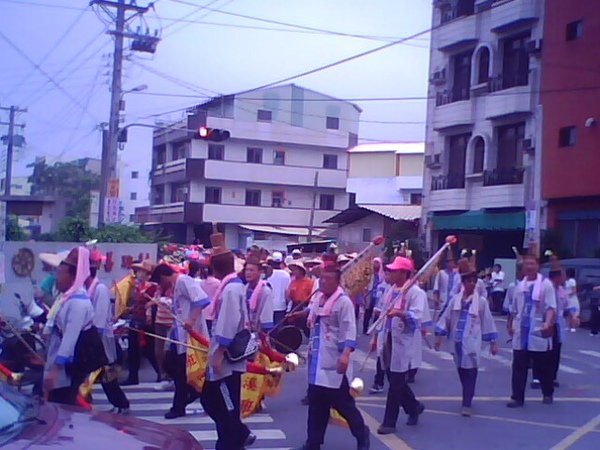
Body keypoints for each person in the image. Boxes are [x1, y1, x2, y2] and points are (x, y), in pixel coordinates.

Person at [297, 263, 370, 450]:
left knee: (344, 405)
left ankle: (362, 434)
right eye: (321, 277)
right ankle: (313, 442)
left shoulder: (343, 302)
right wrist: (299, 314)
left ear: (337, 282)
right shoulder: (319, 298)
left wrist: (346, 355)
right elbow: (313, 314)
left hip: (334, 362)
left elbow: (349, 330)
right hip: (317, 359)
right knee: (316, 406)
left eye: (328, 278)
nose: (323, 281)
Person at [201, 230, 256, 449]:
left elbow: (228, 323)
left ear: (215, 267)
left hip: (226, 359)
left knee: (223, 403)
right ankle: (238, 435)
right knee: (214, 401)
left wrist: (219, 352)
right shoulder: (231, 286)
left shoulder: (231, 288)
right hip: (222, 356)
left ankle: (234, 439)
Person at [435, 258, 498, 416]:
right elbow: (446, 319)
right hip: (456, 342)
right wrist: (439, 337)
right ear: (463, 282)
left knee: (471, 371)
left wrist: (493, 342)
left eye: (473, 281)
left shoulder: (481, 302)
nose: (471, 284)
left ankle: (467, 402)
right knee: (462, 371)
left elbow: (488, 322)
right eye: (468, 281)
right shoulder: (455, 300)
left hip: (472, 342)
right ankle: (467, 393)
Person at [151, 262, 210, 419]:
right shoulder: (176, 286)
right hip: (180, 336)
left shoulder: (184, 281)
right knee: (174, 369)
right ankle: (191, 394)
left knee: (180, 374)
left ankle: (179, 406)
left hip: (192, 336)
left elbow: (202, 300)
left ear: (163, 276)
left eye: (159, 281)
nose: (160, 285)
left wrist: (191, 320)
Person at [377, 256, 426, 435]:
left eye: (395, 270)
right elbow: (383, 312)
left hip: (404, 341)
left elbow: (417, 317)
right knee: (393, 378)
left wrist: (401, 313)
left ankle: (389, 422)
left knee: (396, 382)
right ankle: (413, 406)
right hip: (389, 337)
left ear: (404, 273)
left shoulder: (416, 292)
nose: (391, 272)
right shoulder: (391, 290)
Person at [43, 247, 95, 405]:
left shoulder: (78, 303)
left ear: (73, 276)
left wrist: (55, 370)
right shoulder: (67, 298)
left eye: (59, 274)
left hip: (66, 370)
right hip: (58, 365)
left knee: (62, 408)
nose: (56, 278)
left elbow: (69, 339)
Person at [506, 244, 557, 408]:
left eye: (532, 263)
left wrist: (548, 323)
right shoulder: (519, 285)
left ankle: (547, 392)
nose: (529, 266)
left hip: (538, 330)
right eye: (526, 264)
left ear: (538, 266)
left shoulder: (546, 285)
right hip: (521, 331)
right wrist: (510, 324)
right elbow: (513, 309)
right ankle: (517, 397)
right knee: (518, 366)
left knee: (543, 367)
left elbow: (551, 307)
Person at [86, 250, 130, 413]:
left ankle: (121, 403)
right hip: (94, 335)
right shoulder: (88, 289)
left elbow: (99, 317)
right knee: (96, 374)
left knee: (107, 373)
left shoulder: (100, 289)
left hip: (102, 336)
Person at [532, 257, 579, 389]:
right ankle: (537, 377)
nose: (564, 279)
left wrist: (573, 316)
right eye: (562, 276)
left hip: (557, 324)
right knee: (540, 350)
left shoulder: (561, 290)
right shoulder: (543, 288)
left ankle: (551, 377)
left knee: (555, 351)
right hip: (543, 321)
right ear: (557, 277)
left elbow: (567, 305)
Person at [122, 259, 161, 386]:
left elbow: (154, 302)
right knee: (142, 349)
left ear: (147, 273)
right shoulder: (140, 286)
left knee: (144, 349)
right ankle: (134, 375)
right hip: (138, 320)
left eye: (140, 271)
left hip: (145, 322)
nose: (138, 273)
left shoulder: (152, 287)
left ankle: (160, 372)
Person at [369, 268, 391, 394]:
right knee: (380, 355)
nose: (387, 276)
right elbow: (378, 307)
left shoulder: (403, 289)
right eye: (387, 273)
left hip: (395, 331)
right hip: (383, 326)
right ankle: (379, 382)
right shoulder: (382, 286)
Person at [287, 260, 315, 337]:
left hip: (304, 305)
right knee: (293, 325)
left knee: (305, 325)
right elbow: (289, 295)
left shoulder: (309, 282)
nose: (294, 272)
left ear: (301, 271)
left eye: (296, 270)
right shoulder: (293, 282)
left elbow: (312, 296)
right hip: (295, 305)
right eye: (293, 270)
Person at [268, 251, 291, 328]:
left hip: (268, 306)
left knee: (268, 329)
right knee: (279, 329)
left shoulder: (267, 274)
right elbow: (288, 292)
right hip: (281, 306)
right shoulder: (286, 274)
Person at [433, 251, 459, 319]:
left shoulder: (457, 275)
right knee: (441, 317)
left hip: (453, 299)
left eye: (452, 262)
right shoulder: (441, 273)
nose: (450, 264)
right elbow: (436, 287)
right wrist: (436, 298)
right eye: (448, 262)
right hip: (443, 299)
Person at [363, 258, 384, 335]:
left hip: (378, 295)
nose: (376, 264)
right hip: (370, 293)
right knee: (368, 312)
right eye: (374, 262)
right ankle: (365, 329)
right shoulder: (369, 273)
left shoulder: (382, 275)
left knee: (376, 313)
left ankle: (373, 329)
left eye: (377, 263)